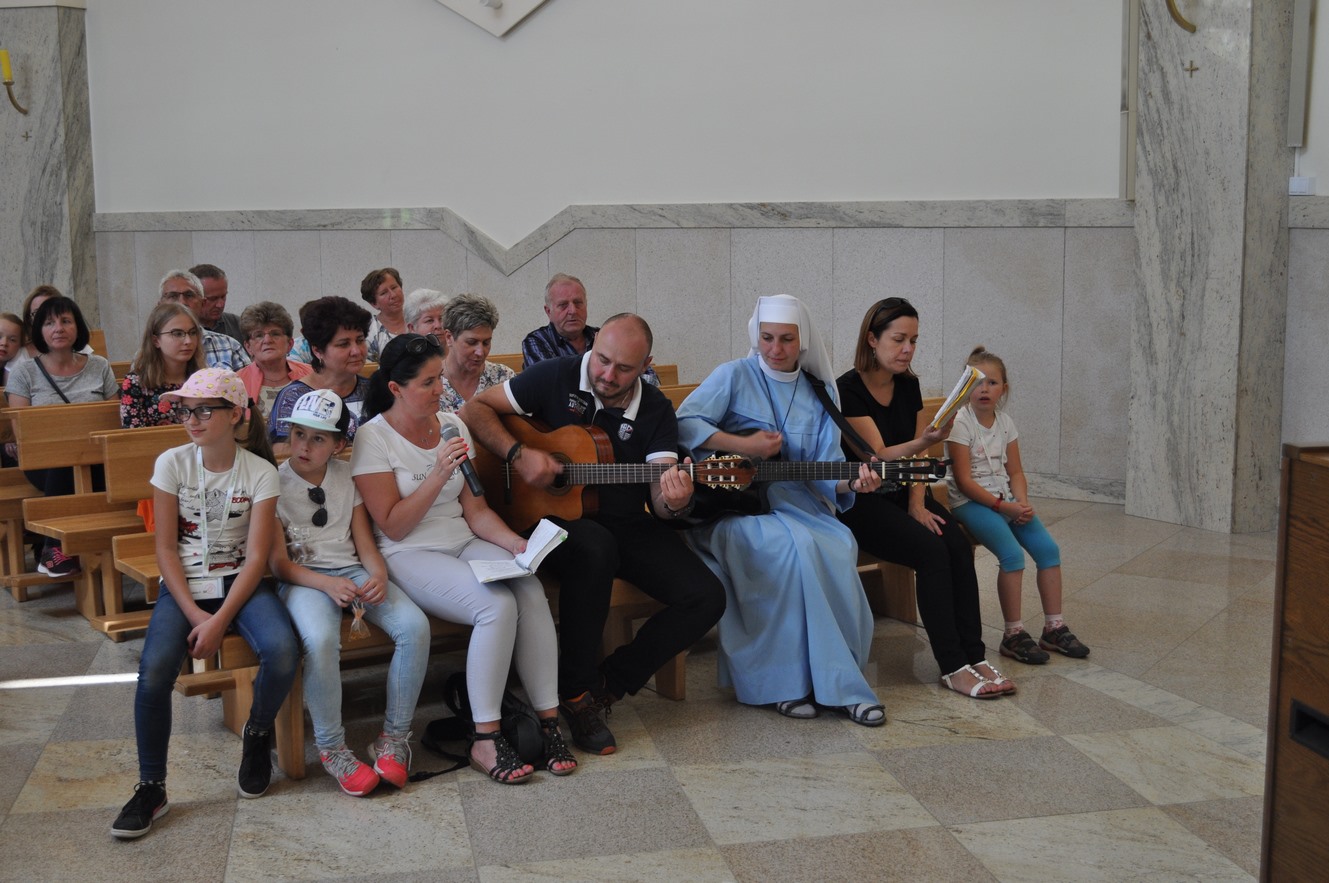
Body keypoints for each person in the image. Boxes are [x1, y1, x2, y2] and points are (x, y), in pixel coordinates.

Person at [461, 314, 724, 755]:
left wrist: (675, 500)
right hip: (544, 520)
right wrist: (518, 454)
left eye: (624, 368)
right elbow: (475, 410)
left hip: (623, 519)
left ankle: (606, 685)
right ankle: (575, 691)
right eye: (602, 359)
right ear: (594, 343)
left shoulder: (655, 409)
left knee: (706, 596)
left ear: (646, 365)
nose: (607, 374)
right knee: (594, 548)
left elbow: (661, 499)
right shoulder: (555, 375)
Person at [352, 334, 577, 784]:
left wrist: (515, 545)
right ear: (396, 389)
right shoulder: (372, 437)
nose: (441, 389)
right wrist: (438, 473)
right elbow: (393, 525)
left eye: (440, 378)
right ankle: (485, 737)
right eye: (428, 382)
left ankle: (549, 723)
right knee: (495, 605)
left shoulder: (452, 423)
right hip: (409, 552)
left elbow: (475, 510)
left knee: (529, 590)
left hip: (461, 539)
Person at [675, 295, 886, 725]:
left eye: (786, 339)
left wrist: (855, 482)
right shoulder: (734, 375)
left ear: (802, 340)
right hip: (733, 509)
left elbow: (826, 467)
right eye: (767, 337)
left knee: (837, 543)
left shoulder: (819, 391)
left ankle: (837, 682)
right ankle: (783, 685)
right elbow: (684, 423)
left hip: (799, 504)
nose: (775, 348)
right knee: (791, 548)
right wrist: (742, 445)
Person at [110, 369, 297, 839]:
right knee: (154, 672)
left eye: (203, 410)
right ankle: (151, 787)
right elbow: (165, 550)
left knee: (283, 650)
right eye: (185, 411)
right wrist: (197, 615)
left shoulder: (260, 472)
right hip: (185, 584)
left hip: (239, 581)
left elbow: (256, 559)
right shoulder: (172, 463)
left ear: (235, 415)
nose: (191, 420)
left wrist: (221, 620)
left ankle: (257, 734)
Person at [836, 297, 1015, 699]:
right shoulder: (846, 389)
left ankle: (975, 655)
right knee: (932, 552)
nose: (908, 350)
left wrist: (918, 504)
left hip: (905, 492)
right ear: (872, 339)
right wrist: (925, 440)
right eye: (899, 339)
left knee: (957, 544)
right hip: (862, 501)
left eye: (914, 341)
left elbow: (917, 460)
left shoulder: (909, 385)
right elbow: (879, 456)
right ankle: (953, 666)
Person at [272, 388, 430, 796]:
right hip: (303, 579)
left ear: (339, 445)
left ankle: (394, 739)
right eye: (298, 434)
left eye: (318, 438)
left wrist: (377, 574)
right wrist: (326, 584)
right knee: (322, 640)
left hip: (350, 570)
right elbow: (278, 565)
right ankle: (332, 749)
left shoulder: (346, 477)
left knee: (414, 627)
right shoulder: (273, 482)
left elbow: (364, 543)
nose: (304, 446)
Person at [945, 346, 1089, 665]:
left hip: (1006, 500)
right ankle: (1013, 634)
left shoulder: (1006, 422)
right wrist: (1002, 507)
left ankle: (1054, 628)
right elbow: (964, 482)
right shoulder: (960, 423)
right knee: (1012, 555)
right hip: (971, 502)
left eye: (992, 382)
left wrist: (1020, 502)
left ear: (1004, 389)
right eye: (976, 382)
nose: (984, 389)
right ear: (964, 387)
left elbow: (1016, 472)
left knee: (1048, 550)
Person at [5, 295, 119, 578]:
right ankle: (54, 548)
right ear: (39, 331)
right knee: (65, 461)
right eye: (49, 323)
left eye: (66, 321)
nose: (58, 328)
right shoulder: (24, 373)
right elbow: (25, 434)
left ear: (77, 327)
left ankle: (103, 547)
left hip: (98, 458)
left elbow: (115, 418)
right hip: (44, 464)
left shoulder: (99, 366)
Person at [269, 296, 372, 457]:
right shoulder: (294, 396)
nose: (356, 351)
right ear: (317, 351)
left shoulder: (373, 390)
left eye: (360, 341)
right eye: (344, 344)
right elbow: (282, 453)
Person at [521, 273, 659, 386]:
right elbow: (550, 385)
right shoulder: (536, 341)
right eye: (563, 305)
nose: (573, 311)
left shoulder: (604, 336)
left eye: (578, 303)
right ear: (548, 311)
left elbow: (650, 379)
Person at [119, 303, 206, 428]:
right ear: (156, 341)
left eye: (193, 333)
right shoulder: (136, 383)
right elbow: (134, 435)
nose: (188, 341)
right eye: (177, 333)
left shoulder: (203, 379)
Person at [158, 270, 251, 371]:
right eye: (173, 296)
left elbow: (250, 380)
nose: (182, 302)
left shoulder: (230, 347)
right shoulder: (150, 349)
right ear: (160, 305)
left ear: (202, 303)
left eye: (189, 295)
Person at [437, 293, 515, 412]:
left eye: (486, 343)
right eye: (471, 342)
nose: (480, 352)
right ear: (449, 337)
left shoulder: (503, 377)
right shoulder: (431, 383)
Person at [236, 301, 313, 420]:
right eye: (259, 335)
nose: (267, 340)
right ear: (248, 347)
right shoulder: (236, 383)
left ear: (290, 343)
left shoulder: (312, 374)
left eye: (275, 334)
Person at [361, 267, 407, 361]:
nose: (393, 295)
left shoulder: (420, 319)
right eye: (384, 293)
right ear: (374, 303)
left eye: (394, 287)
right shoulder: (368, 331)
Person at [189, 263, 244, 342]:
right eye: (212, 299)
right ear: (192, 297)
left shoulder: (238, 325)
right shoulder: (179, 328)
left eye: (223, 296)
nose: (220, 305)